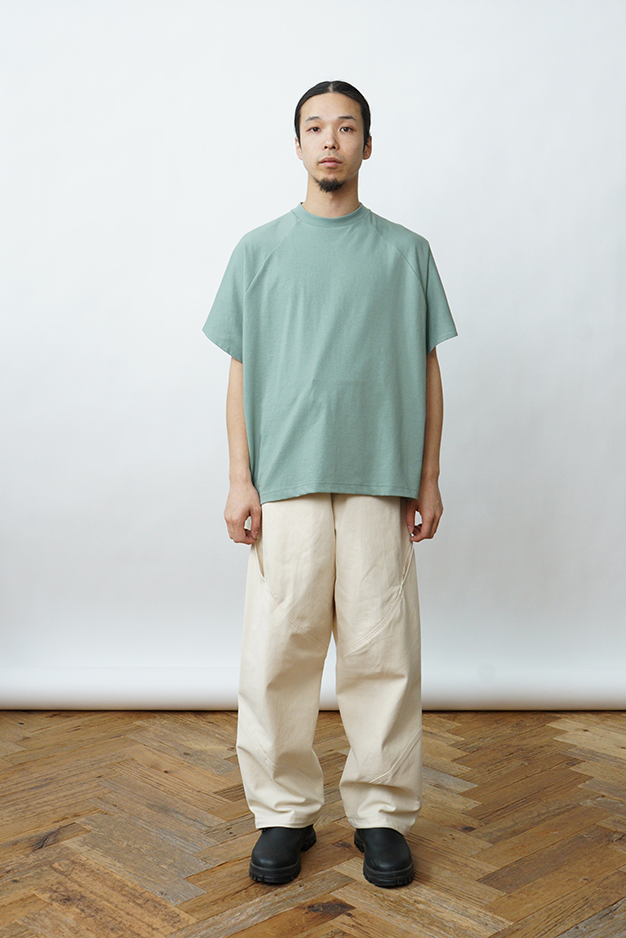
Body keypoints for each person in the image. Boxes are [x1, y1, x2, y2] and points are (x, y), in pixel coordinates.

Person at [203, 80, 456, 888]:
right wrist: (239, 478)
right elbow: (240, 371)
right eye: (315, 127)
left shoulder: (406, 253)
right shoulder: (258, 252)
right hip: (286, 480)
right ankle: (283, 812)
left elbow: (427, 368)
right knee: (279, 653)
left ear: (367, 146)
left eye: (346, 128)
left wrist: (429, 477)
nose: (330, 141)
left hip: (380, 478)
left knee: (383, 652)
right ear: (298, 145)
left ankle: (381, 812)